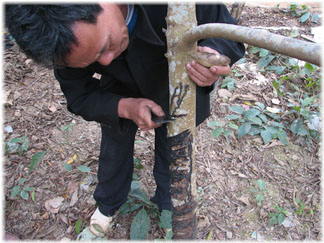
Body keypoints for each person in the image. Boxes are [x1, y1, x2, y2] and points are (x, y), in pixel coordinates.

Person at [6, 3, 245, 237]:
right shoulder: (63, 43)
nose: (107, 61)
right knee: (113, 150)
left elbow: (225, 30)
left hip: (178, 90)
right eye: (93, 61)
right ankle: (108, 202)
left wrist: (214, 53)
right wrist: (123, 107)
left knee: (175, 152)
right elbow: (78, 95)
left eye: (105, 46)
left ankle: (169, 205)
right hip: (119, 90)